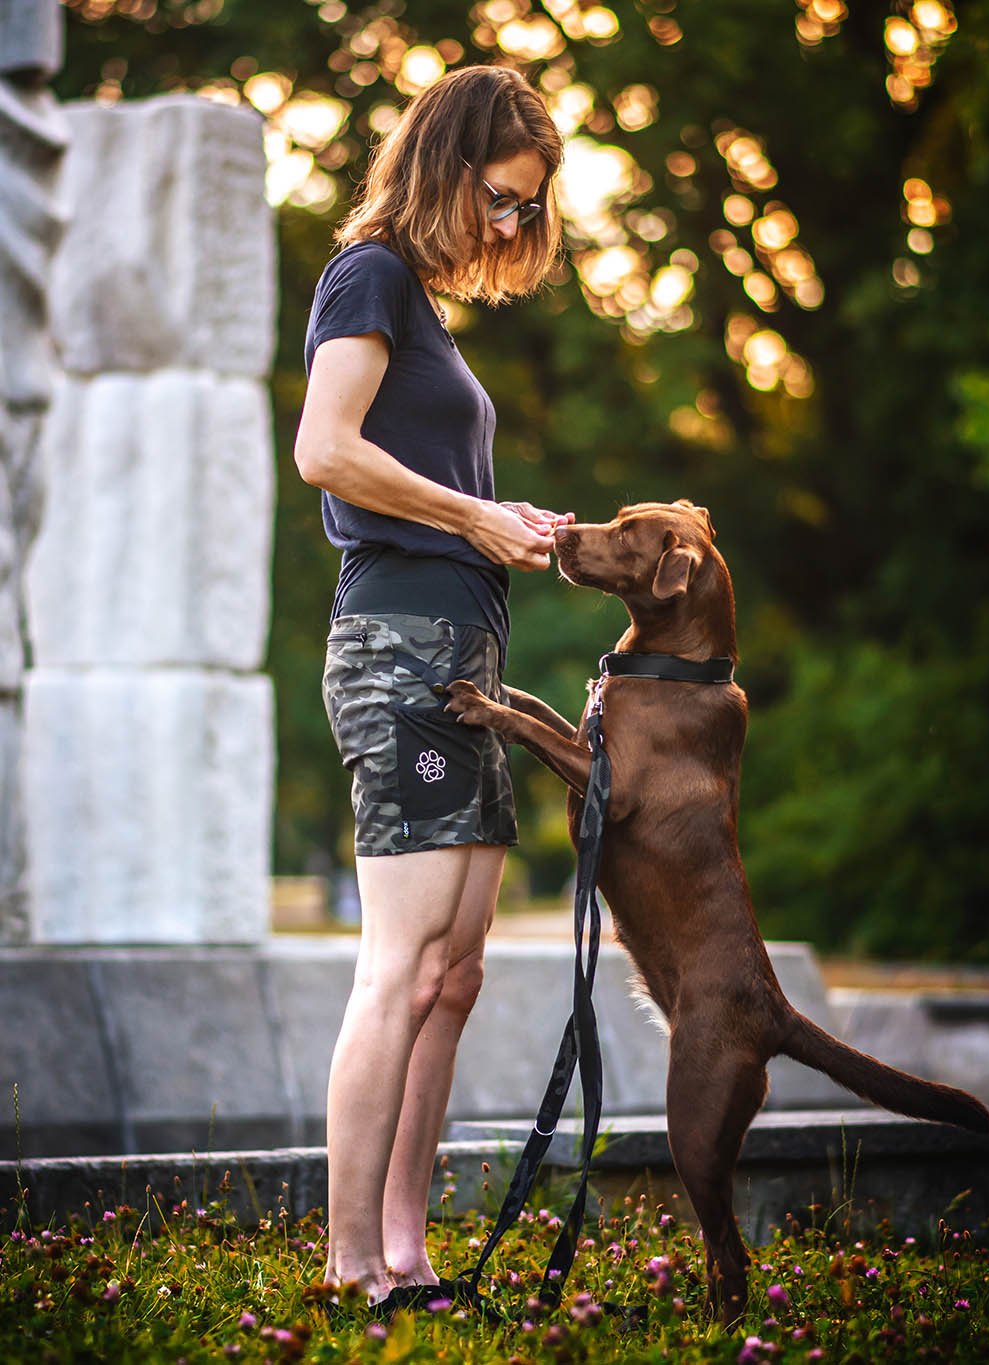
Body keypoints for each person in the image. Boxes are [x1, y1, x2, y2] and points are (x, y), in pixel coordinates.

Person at [293, 64, 571, 1313]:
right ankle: (354, 1265)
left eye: (527, 211)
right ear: (449, 165)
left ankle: (408, 1254)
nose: (511, 229)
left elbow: (423, 480)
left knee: (454, 975)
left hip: (462, 654)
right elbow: (324, 451)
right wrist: (472, 512)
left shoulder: (427, 310)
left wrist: (505, 524)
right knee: (402, 968)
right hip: (397, 647)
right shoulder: (369, 274)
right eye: (503, 201)